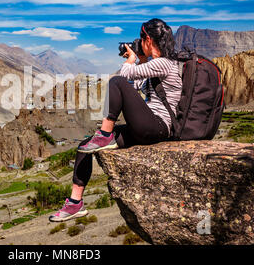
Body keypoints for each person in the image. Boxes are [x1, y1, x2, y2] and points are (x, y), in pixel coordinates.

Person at [49, 18, 182, 222]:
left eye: (141, 38)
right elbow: (132, 86)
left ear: (147, 38)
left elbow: (124, 76)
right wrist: (139, 60)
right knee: (86, 145)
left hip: (159, 127)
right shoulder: (154, 66)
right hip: (147, 127)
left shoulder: (165, 63)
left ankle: (105, 134)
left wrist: (131, 60)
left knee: (116, 81)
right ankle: (75, 203)